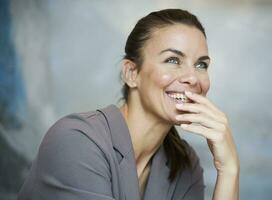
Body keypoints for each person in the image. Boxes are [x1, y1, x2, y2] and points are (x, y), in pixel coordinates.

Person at [17, 8, 239, 200]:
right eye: (173, 60)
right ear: (132, 73)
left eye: (201, 64)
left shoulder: (185, 164)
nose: (192, 77)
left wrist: (228, 169)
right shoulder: (76, 141)